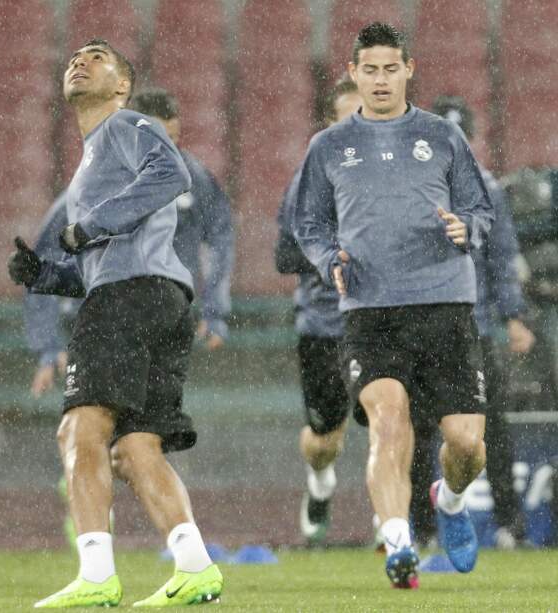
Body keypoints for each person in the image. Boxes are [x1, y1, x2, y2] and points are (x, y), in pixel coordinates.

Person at [9, 39, 223, 607]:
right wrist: (46, 275)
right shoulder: (94, 156)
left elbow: (171, 173)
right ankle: (196, 567)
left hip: (129, 302)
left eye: (97, 56)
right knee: (136, 449)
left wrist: (91, 225)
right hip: (157, 298)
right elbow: (101, 264)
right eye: (74, 57)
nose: (80, 61)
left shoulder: (127, 125)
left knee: (79, 431)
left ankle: (98, 575)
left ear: (123, 85)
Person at [293, 23, 494, 589]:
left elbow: (482, 209)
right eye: (370, 69)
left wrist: (467, 227)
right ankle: (398, 542)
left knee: (465, 444)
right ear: (353, 74)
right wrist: (327, 255)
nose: (380, 80)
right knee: (387, 422)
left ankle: (450, 501)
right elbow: (307, 223)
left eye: (390, 68)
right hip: (369, 309)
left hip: (444, 303)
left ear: (409, 69)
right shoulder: (328, 145)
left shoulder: (442, 136)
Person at [25, 88, 234, 394]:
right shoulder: (91, 186)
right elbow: (42, 262)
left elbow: (221, 240)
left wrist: (214, 311)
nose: (168, 151)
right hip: (96, 329)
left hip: (163, 328)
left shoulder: (193, 179)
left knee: (141, 437)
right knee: (92, 433)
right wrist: (48, 344)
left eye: (173, 140)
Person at [409, 96, 535, 549]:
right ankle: (420, 527)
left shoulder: (486, 188)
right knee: (417, 430)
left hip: (473, 327)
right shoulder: (411, 186)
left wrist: (514, 316)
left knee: (491, 430)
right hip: (423, 325)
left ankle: (508, 524)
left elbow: (502, 257)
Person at [274, 76, 362, 546]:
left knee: (394, 419)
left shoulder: (405, 172)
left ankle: (395, 528)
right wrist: (335, 257)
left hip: (384, 317)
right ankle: (320, 480)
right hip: (326, 324)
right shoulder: (311, 177)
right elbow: (284, 255)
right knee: (325, 437)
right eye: (348, 119)